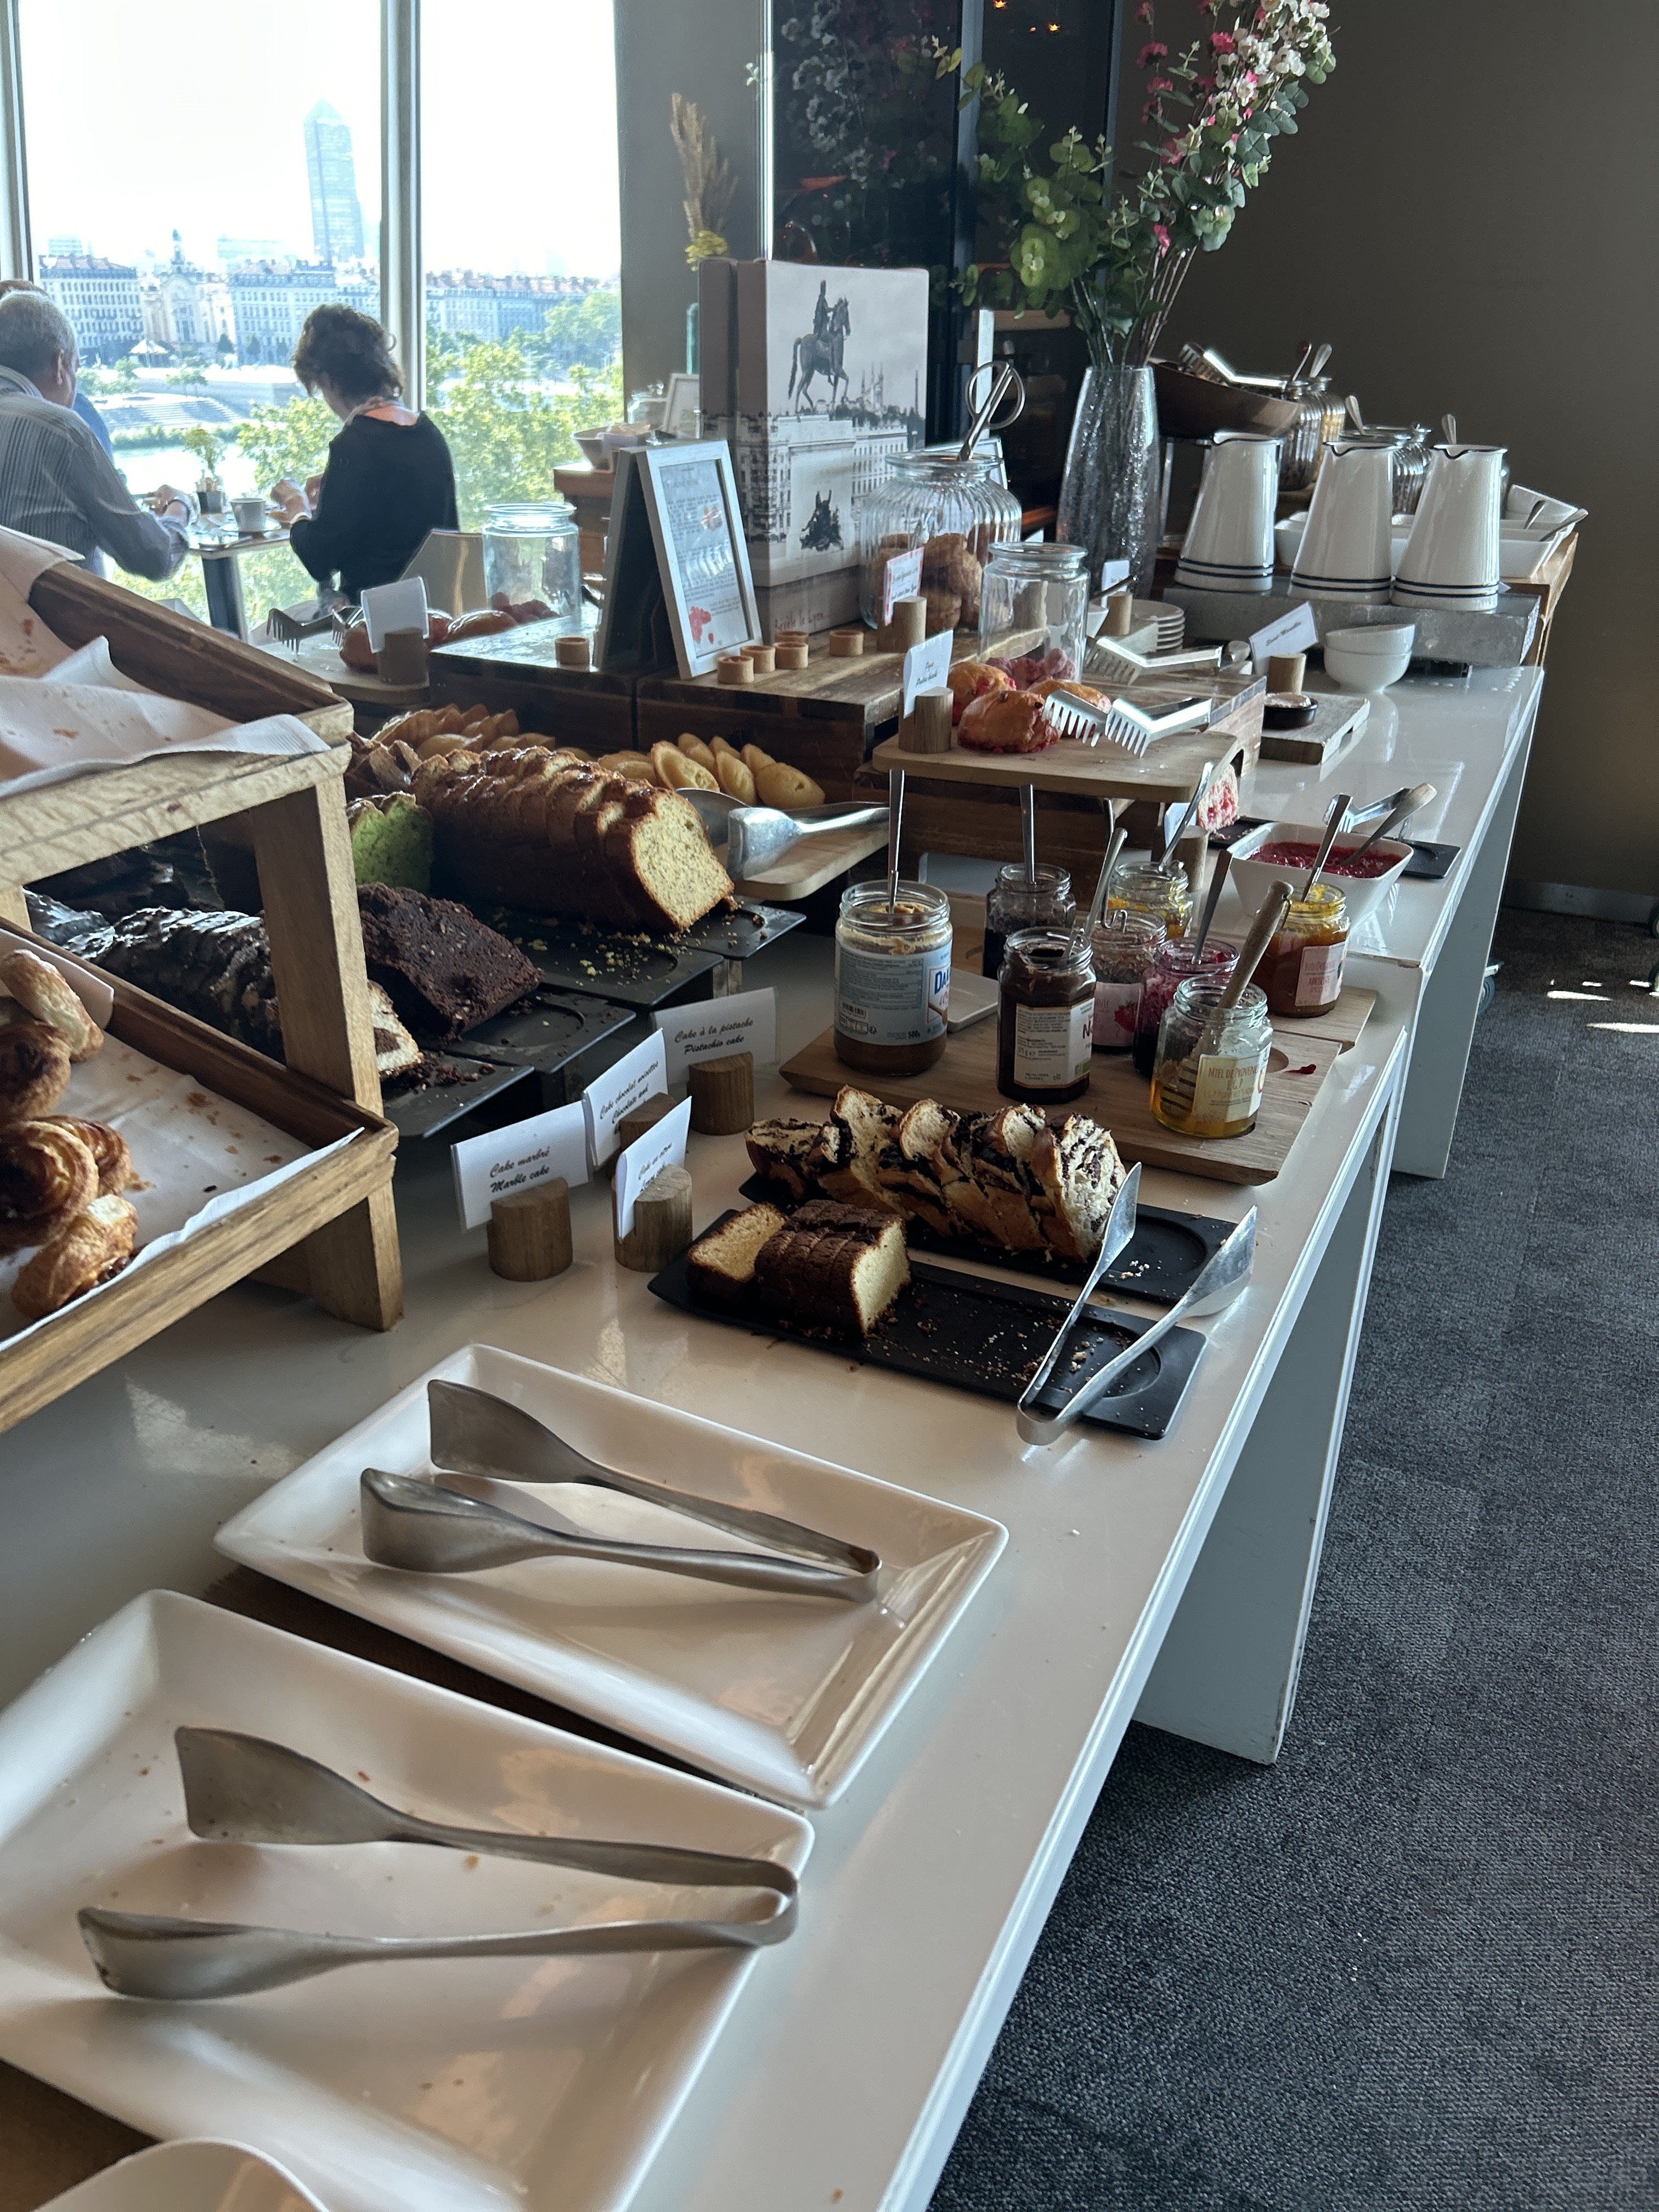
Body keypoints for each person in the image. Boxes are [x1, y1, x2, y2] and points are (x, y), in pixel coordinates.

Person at [0, 290, 193, 579]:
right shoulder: (62, 430)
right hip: (52, 610)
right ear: (59, 365)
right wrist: (180, 507)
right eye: (75, 368)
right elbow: (155, 559)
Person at [274, 304, 457, 603]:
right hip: (436, 610)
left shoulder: (355, 444)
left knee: (269, 628)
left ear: (328, 380)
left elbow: (319, 560)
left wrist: (297, 506)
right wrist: (337, 484)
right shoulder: (428, 433)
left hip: (377, 617)